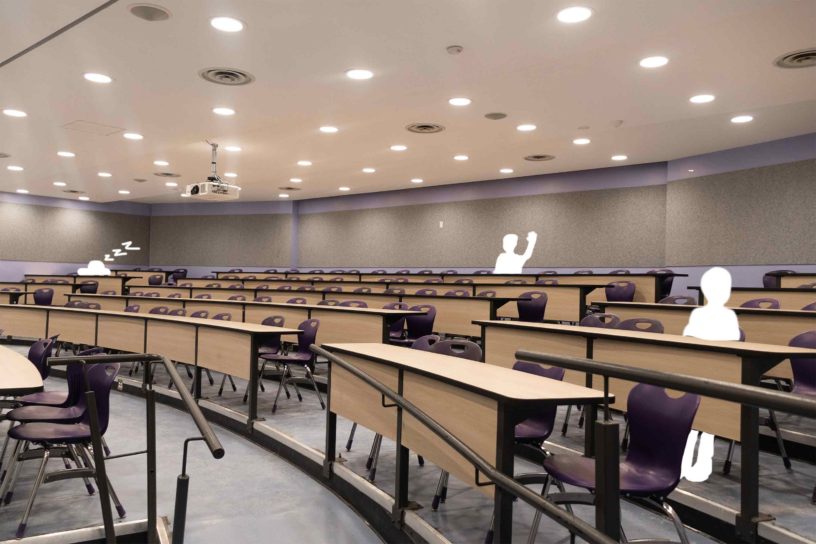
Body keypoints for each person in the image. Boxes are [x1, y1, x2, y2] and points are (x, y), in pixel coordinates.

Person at [680, 266, 740, 482]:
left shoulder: (729, 316)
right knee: (690, 424)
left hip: (719, 373)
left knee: (707, 427)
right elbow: (687, 339)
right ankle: (684, 460)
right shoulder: (697, 313)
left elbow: (733, 346)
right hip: (695, 368)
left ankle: (703, 462)